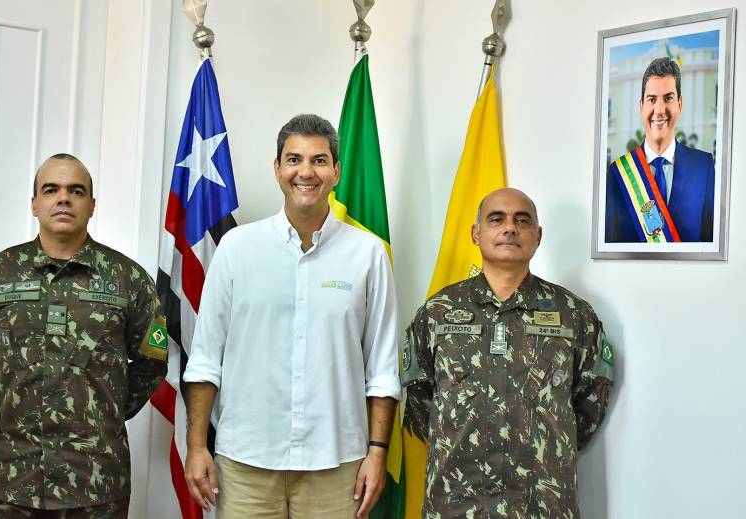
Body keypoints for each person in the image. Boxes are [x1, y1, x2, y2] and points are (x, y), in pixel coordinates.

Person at [183, 113, 400, 519]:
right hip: (246, 462)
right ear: (277, 168)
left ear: (336, 172)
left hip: (337, 466)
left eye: (319, 160)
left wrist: (377, 453)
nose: (306, 171)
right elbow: (206, 359)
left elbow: (383, 368)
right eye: (294, 159)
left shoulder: (368, 255)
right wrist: (197, 446)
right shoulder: (236, 249)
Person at [0, 153, 168, 518]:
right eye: (51, 190)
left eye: (76, 191)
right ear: (35, 204)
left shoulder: (127, 280)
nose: (63, 198)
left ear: (92, 205)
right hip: (9, 477)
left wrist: (106, 408)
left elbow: (152, 361)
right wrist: (15, 398)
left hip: (96, 482)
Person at [403, 188, 614, 518]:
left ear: (538, 235)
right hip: (457, 501)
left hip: (543, 504)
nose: (510, 228)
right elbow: (419, 401)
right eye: (496, 219)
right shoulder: (438, 312)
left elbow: (589, 403)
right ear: (476, 233)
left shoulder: (573, 315)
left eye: (522, 220)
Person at [606, 57, 715, 243]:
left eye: (668, 98)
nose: (659, 109)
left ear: (679, 104)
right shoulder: (618, 173)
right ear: (641, 106)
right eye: (652, 99)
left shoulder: (703, 167)